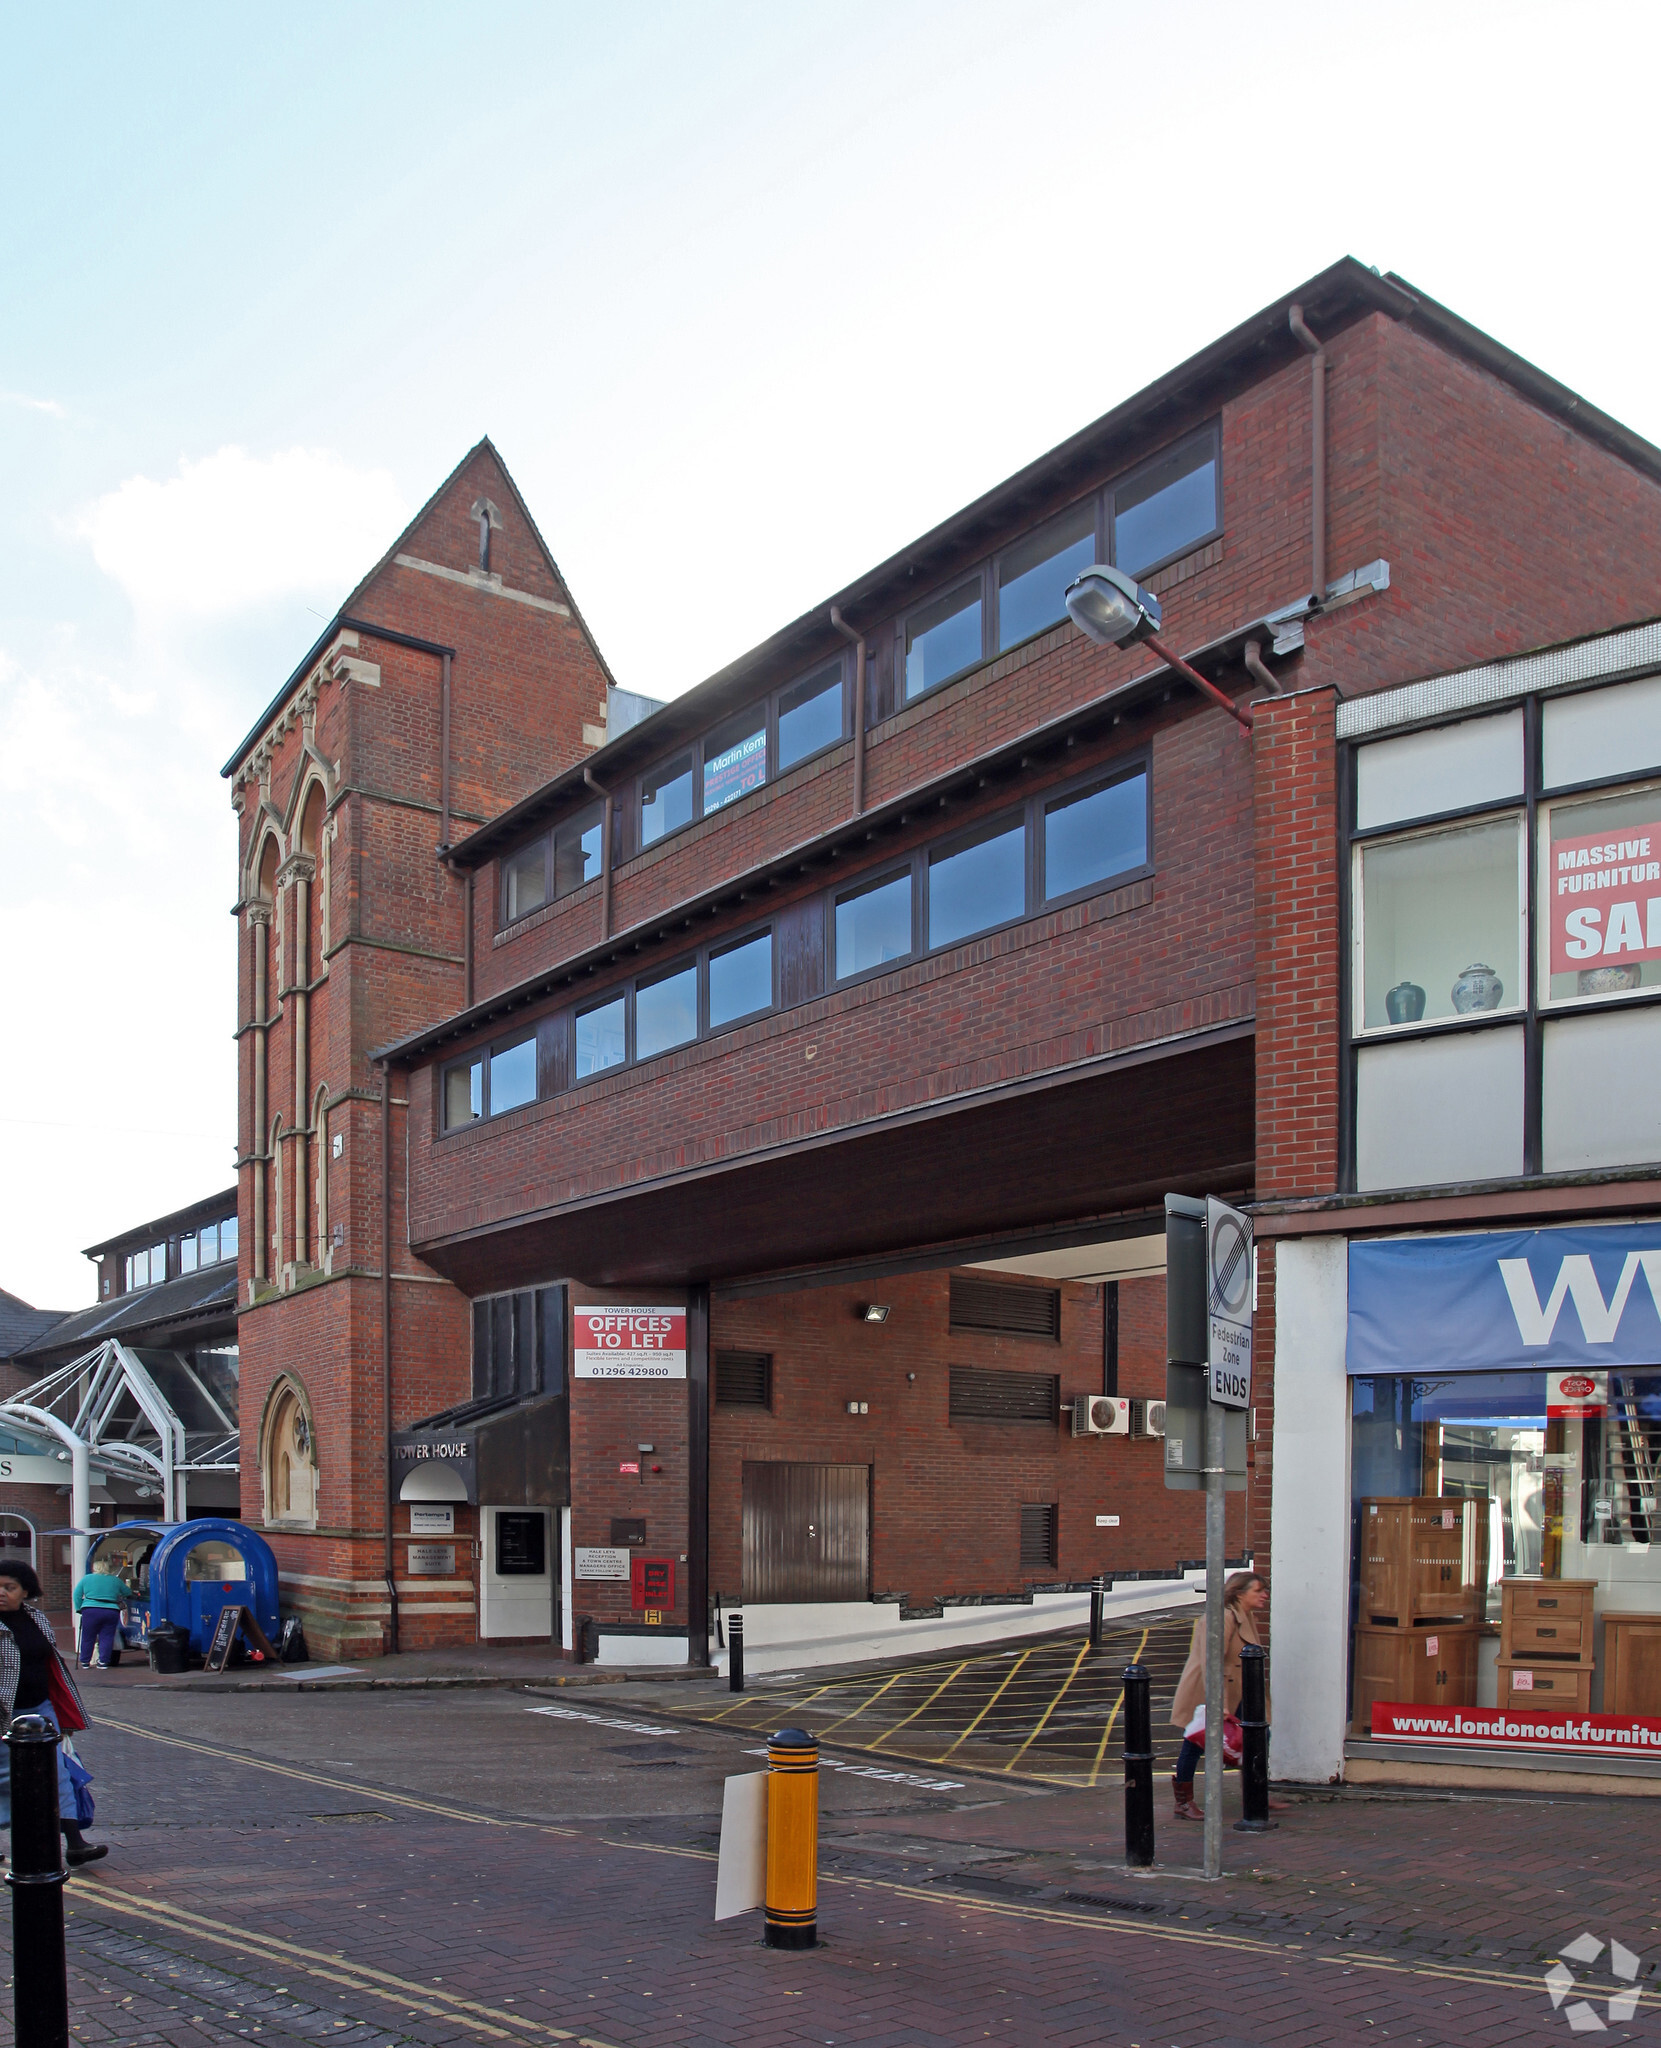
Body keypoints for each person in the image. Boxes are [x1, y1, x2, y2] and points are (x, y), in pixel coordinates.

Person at [0, 1563, 108, 1865]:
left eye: (9, 1587)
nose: (1, 1593)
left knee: (58, 1774)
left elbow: (53, 1669)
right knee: (1, 1779)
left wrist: (63, 1717)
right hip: (3, 1714)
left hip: (40, 1710)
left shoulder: (37, 1619)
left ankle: (75, 1844)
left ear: (25, 1591)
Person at [1168, 1570, 1275, 1821]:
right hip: (1210, 1690)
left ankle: (1255, 1792)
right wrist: (1219, 1704)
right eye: (1258, 1591)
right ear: (1239, 1593)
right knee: (1195, 1743)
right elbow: (1212, 1662)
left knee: (1260, 1736)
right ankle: (1183, 1803)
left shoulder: (1246, 1616)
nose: (1264, 1595)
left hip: (1241, 1691)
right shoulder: (1221, 1618)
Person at [73, 1561, 130, 1669]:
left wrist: (79, 1608)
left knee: (88, 1636)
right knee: (107, 1636)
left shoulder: (87, 1579)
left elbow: (76, 1594)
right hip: (110, 1610)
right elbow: (127, 1592)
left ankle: (85, 1661)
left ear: (94, 1568)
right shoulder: (115, 1580)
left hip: (90, 1610)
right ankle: (103, 1661)